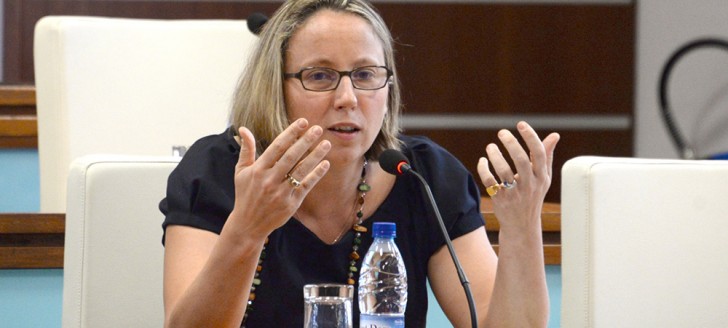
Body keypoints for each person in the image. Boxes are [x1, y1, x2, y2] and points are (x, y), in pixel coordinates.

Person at [160, 0, 560, 327]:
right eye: (319, 76)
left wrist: (522, 224)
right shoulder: (217, 172)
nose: (348, 97)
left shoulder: (423, 177)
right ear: (274, 88)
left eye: (366, 74)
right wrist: (247, 230)